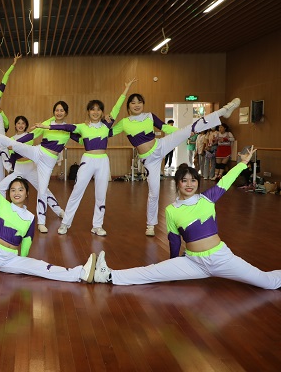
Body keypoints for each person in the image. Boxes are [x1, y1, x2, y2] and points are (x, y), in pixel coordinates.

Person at [93, 146, 281, 290]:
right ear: (177, 183)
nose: (189, 184)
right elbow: (174, 240)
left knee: (268, 282)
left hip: (220, 258)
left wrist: (242, 163)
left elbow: (226, 180)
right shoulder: (171, 210)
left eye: (193, 180)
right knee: (151, 272)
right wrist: (173, 265)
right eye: (184, 180)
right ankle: (108, 275)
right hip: (193, 262)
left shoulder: (207, 198)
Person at [111, 96, 240, 236]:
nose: (137, 105)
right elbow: (107, 133)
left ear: (143, 104)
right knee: (154, 192)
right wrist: (107, 119)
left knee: (189, 128)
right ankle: (150, 225)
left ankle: (224, 111)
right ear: (128, 106)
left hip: (160, 145)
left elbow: (165, 127)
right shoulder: (124, 123)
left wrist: (182, 133)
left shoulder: (149, 116)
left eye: (139, 102)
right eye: (133, 103)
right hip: (149, 160)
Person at [50, 78, 137, 235]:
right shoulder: (82, 127)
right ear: (88, 111)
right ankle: (65, 223)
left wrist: (126, 89)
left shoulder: (106, 125)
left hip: (103, 161)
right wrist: (45, 126)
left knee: (101, 194)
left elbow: (117, 107)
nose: (95, 112)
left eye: (98, 110)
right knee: (77, 191)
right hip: (88, 160)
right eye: (92, 109)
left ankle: (97, 225)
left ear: (102, 112)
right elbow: (66, 127)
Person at [0, 101, 72, 233]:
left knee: (43, 191)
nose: (59, 112)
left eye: (62, 110)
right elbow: (29, 137)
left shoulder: (68, 128)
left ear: (66, 113)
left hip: (37, 166)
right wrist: (14, 144)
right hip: (29, 159)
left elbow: (80, 133)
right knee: (2, 184)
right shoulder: (44, 125)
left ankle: (54, 214)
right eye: (57, 110)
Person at [0, 115, 64, 223]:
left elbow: (44, 124)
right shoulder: (11, 139)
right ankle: (3, 210)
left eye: (23, 123)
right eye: (18, 123)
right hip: (18, 169)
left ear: (26, 125)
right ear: (15, 125)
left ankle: (59, 211)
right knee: (0, 187)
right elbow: (10, 155)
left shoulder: (29, 136)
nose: (20, 125)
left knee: (44, 190)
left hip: (31, 168)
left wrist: (54, 117)